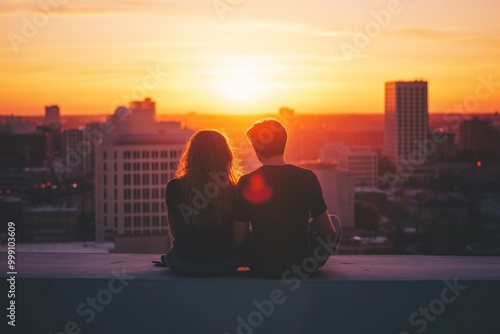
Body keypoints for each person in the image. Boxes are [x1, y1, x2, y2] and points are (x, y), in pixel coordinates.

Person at [233, 119, 339, 278]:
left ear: (257, 149)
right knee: (334, 221)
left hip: (261, 266)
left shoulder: (246, 182)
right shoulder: (307, 178)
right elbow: (328, 233)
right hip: (301, 266)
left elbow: (239, 239)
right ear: (284, 144)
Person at [163, 130, 242, 276]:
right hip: (225, 264)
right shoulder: (235, 190)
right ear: (226, 156)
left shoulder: (174, 187)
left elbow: (177, 233)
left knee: (171, 253)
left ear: (191, 157)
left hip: (186, 263)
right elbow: (238, 238)